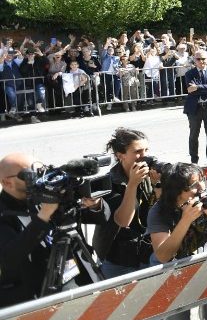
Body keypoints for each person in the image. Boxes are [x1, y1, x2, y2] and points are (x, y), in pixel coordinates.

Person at [0, 152, 110, 308]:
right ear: (7, 183)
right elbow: (10, 257)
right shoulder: (5, 213)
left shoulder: (51, 193)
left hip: (80, 282)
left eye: (40, 170)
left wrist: (95, 204)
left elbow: (101, 218)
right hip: (37, 298)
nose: (40, 178)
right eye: (30, 175)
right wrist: (43, 216)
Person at [147, 162, 207, 320]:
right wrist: (186, 220)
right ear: (176, 191)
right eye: (194, 185)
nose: (202, 187)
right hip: (173, 278)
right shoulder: (159, 211)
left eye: (202, 179)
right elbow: (163, 255)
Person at [93, 128, 158, 278]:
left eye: (146, 150)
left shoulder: (149, 175)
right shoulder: (109, 182)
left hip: (146, 253)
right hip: (117, 258)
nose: (144, 156)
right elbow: (123, 221)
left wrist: (157, 186)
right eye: (138, 151)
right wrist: (132, 185)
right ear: (120, 155)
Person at [183, 50, 207, 164]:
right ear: (194, 61)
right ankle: (194, 161)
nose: (201, 61)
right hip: (195, 108)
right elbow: (191, 90)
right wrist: (206, 89)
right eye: (198, 59)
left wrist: (198, 87)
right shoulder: (189, 74)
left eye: (203, 59)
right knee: (194, 135)